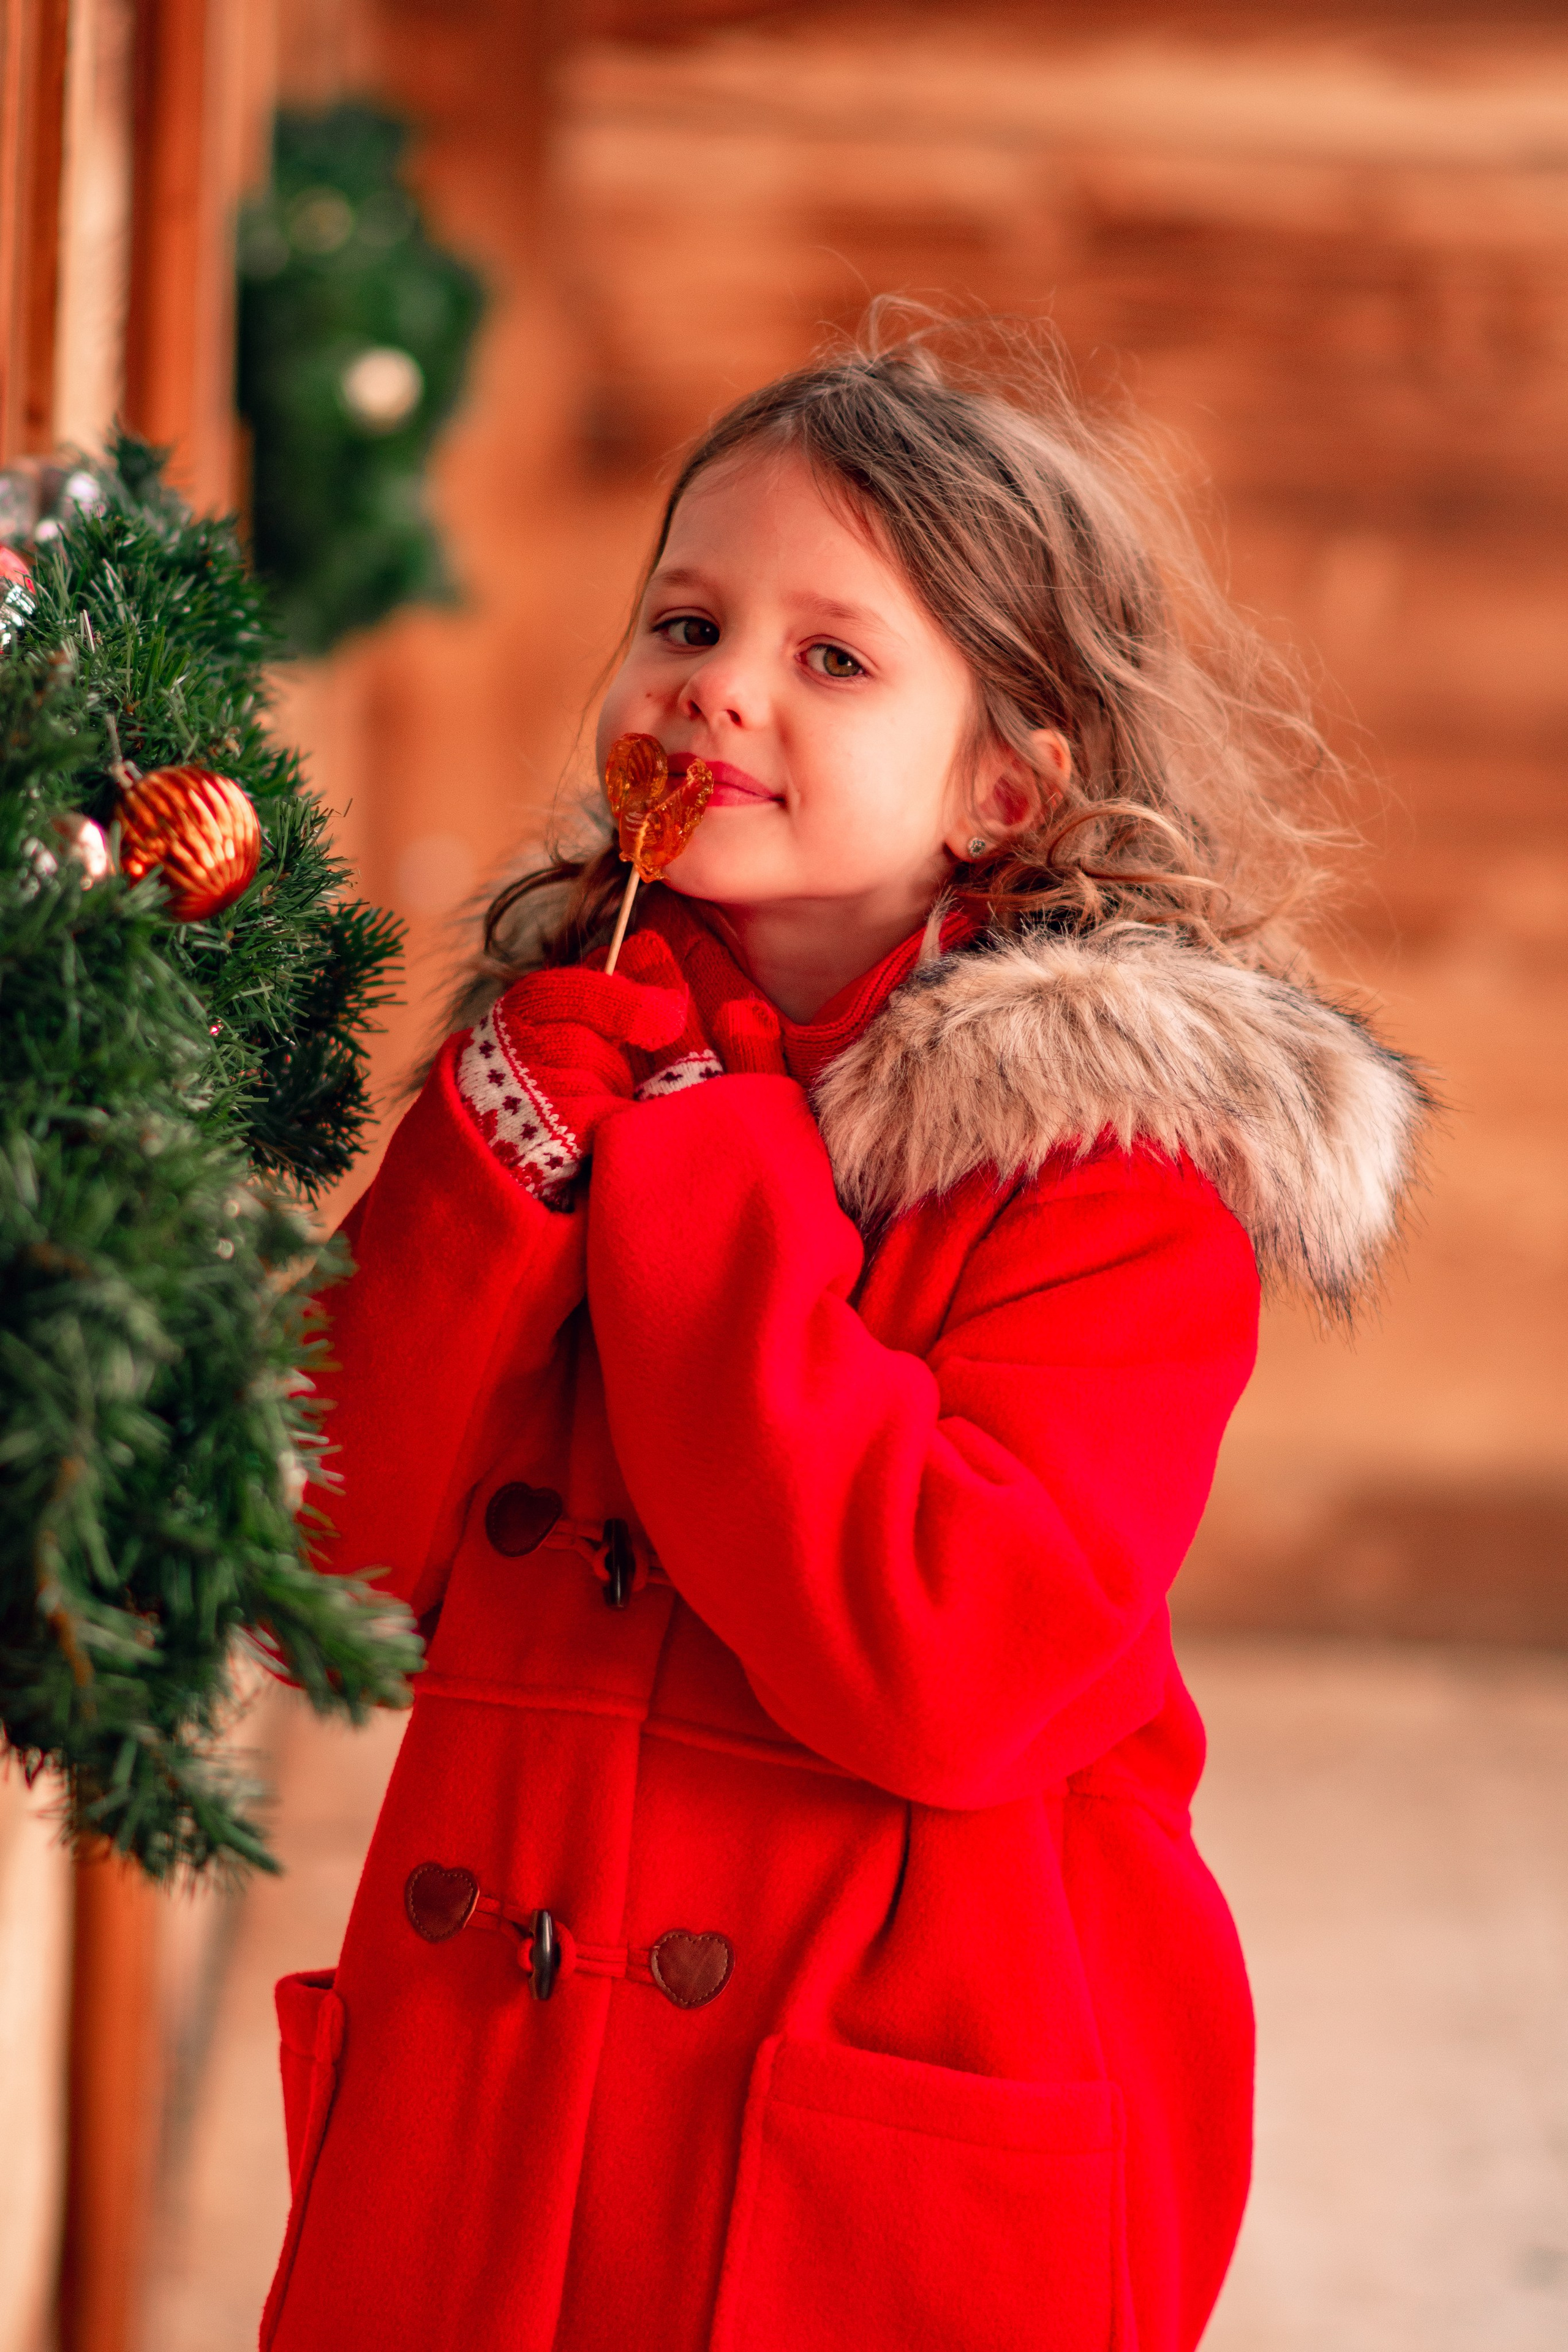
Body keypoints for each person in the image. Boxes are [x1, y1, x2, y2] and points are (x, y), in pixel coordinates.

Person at [260, 322, 1427, 2352]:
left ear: (1005, 788)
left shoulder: (1117, 1172)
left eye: (834, 657)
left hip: (852, 2146)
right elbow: (327, 1562)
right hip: (494, 2114)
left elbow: (953, 1663)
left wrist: (709, 1182)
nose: (716, 683)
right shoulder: (565, 1064)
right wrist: (495, 1161)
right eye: (688, 620)